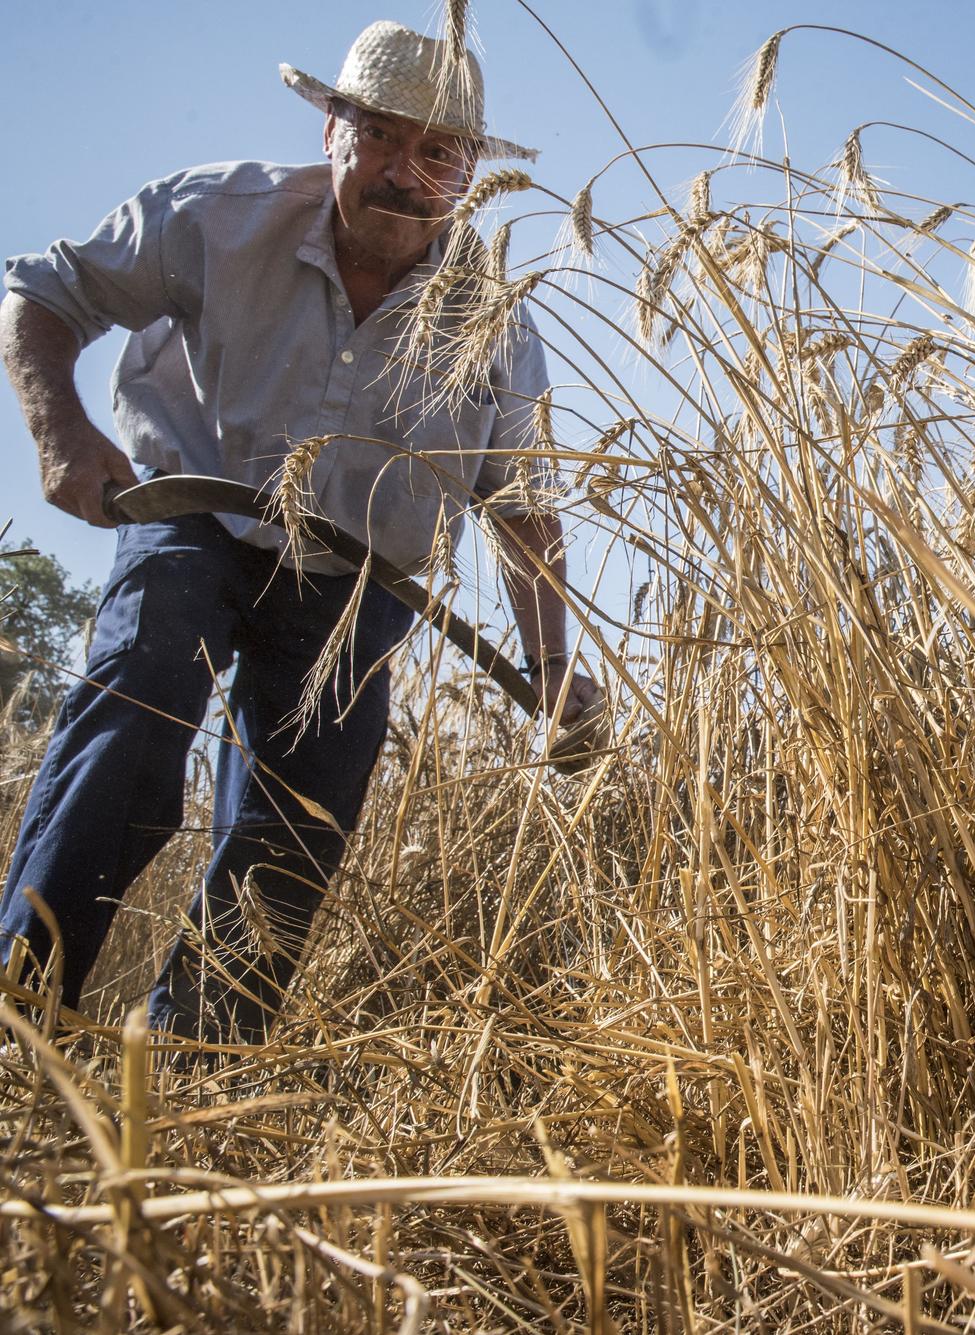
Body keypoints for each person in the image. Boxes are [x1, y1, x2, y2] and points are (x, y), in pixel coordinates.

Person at [0, 20, 599, 1045]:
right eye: (378, 137)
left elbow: (519, 502)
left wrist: (550, 662)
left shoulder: (495, 323)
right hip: (198, 511)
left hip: (358, 581)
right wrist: (62, 433)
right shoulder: (214, 216)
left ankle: (200, 1067)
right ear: (333, 128)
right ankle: (20, 1010)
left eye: (437, 152)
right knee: (140, 701)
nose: (403, 175)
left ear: (468, 171)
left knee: (297, 823)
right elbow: (41, 293)